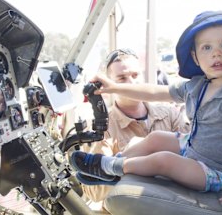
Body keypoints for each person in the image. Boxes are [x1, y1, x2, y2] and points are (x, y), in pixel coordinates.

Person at [70, 11, 222, 204]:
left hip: (218, 171)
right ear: (196, 57)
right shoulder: (195, 86)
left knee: (164, 160)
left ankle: (114, 165)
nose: (217, 52)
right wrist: (113, 87)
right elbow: (155, 92)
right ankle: (111, 168)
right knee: (156, 138)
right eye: (206, 47)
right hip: (194, 148)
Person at [77, 48, 190, 203]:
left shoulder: (170, 114)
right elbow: (94, 192)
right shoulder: (103, 128)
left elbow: (196, 157)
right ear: (108, 85)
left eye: (135, 75)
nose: (131, 83)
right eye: (122, 78)